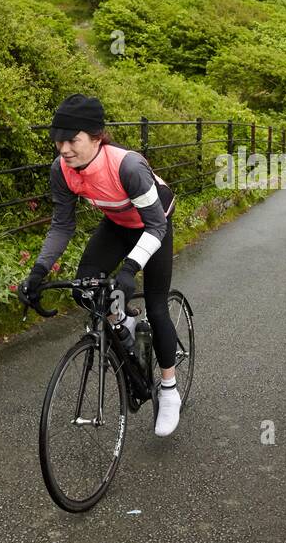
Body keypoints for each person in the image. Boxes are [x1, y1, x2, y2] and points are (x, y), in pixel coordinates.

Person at [17, 93, 182, 436]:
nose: (63, 148)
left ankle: (168, 390)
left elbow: (156, 226)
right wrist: (38, 272)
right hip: (118, 223)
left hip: (154, 226)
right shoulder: (61, 170)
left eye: (72, 140)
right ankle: (124, 324)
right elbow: (62, 225)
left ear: (96, 137)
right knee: (84, 288)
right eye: (58, 140)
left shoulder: (128, 166)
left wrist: (128, 269)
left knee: (156, 305)